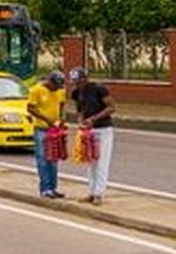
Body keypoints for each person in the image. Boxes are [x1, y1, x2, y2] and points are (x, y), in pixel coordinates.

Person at [69, 67, 115, 205]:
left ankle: (99, 194)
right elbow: (80, 109)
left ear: (85, 78)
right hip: (88, 130)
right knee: (90, 162)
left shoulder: (99, 89)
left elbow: (111, 108)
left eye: (79, 81)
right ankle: (91, 192)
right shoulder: (76, 92)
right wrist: (81, 121)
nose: (77, 84)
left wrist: (93, 119)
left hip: (103, 129)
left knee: (101, 162)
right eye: (75, 82)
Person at [26, 71, 68, 199]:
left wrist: (61, 118)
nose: (57, 89)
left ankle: (53, 188)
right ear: (50, 82)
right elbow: (30, 108)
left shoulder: (60, 91)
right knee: (43, 159)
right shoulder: (37, 90)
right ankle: (45, 188)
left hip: (55, 129)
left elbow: (61, 105)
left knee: (53, 159)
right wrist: (46, 120)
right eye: (55, 86)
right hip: (42, 129)